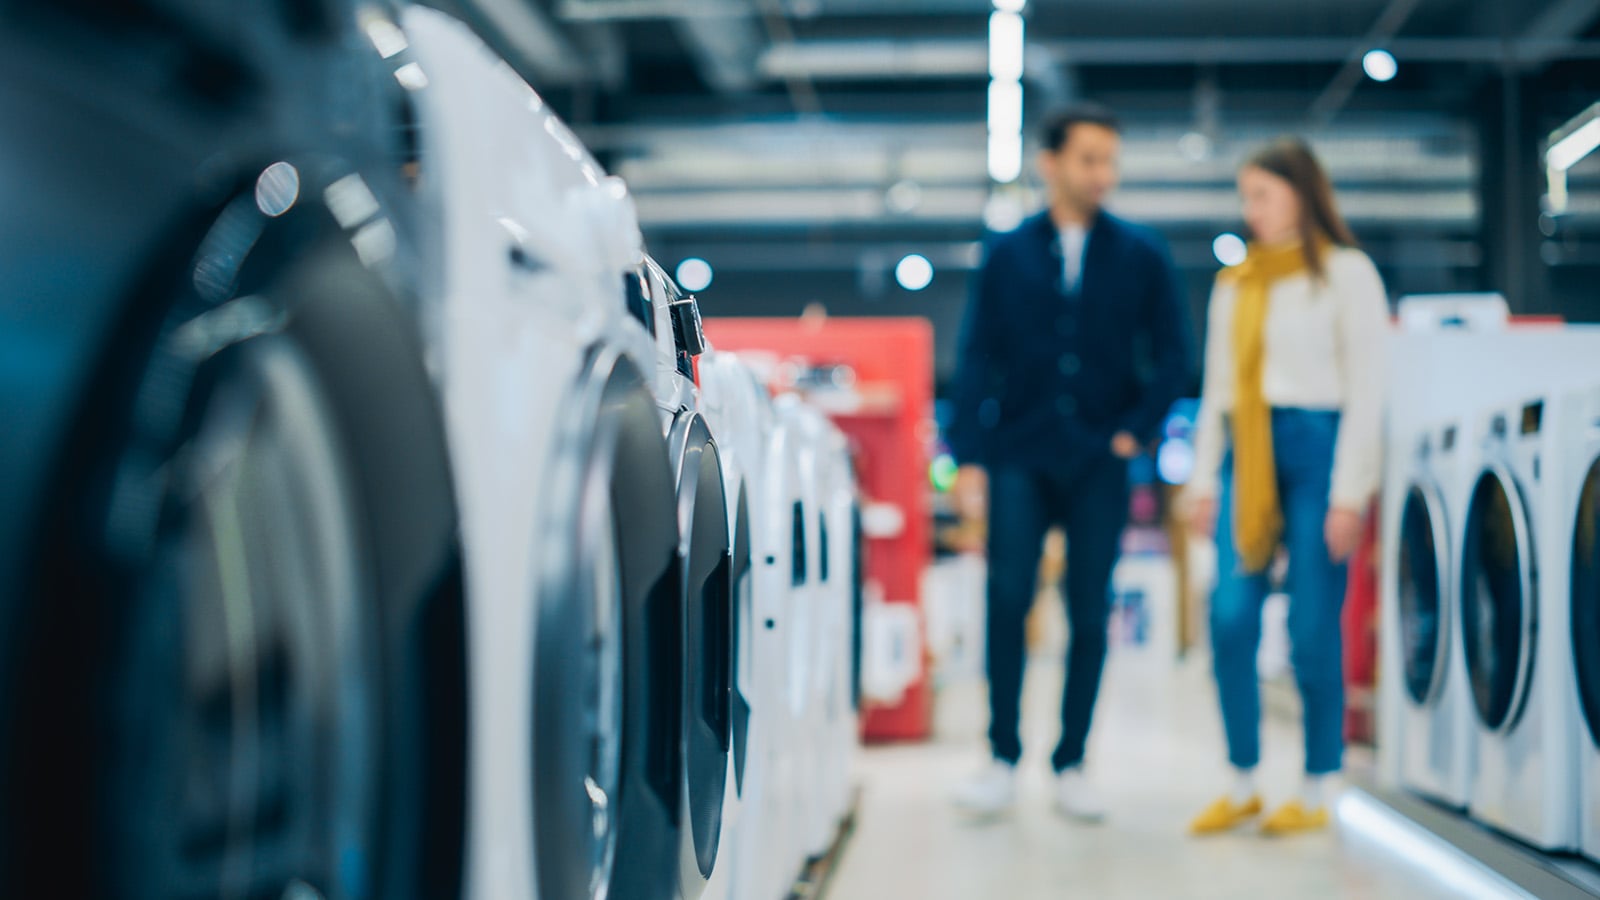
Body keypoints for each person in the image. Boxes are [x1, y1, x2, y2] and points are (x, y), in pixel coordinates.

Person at [946, 103, 1192, 820]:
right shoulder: (1007, 252)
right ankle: (1000, 755)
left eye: (1111, 160)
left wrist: (1135, 432)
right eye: (1089, 159)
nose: (1102, 175)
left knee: (1089, 610)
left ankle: (1072, 761)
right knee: (1007, 598)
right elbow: (974, 358)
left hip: (1099, 460)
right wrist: (968, 458)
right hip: (1018, 453)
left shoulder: (1142, 254)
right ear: (1049, 163)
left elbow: (1175, 357)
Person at [1185, 137, 1387, 836]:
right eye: (1246, 198)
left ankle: (1319, 781)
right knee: (1230, 619)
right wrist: (1202, 480)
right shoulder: (1235, 284)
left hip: (1318, 452)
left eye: (1262, 195)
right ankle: (1242, 778)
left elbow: (1368, 392)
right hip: (1249, 454)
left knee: (1309, 627)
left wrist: (1349, 494)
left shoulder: (1347, 273)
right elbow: (1215, 389)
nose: (1252, 211)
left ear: (1302, 193)